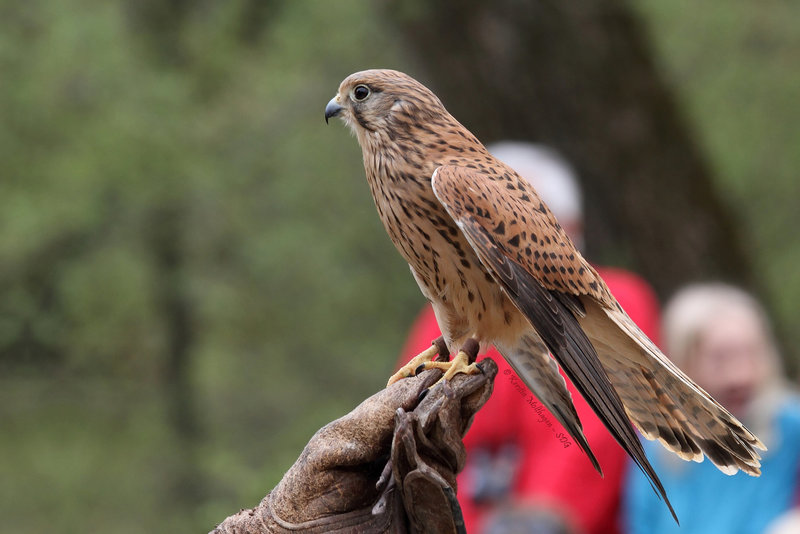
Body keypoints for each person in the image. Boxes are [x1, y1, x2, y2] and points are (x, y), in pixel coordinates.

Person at [399, 142, 661, 534]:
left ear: (567, 230)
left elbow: (591, 435)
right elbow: (422, 436)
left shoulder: (616, 299)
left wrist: (538, 522)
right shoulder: (445, 313)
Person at [624, 283, 800, 534]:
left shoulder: (789, 427)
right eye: (720, 359)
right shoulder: (658, 448)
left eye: (749, 354)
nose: (740, 375)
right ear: (681, 368)